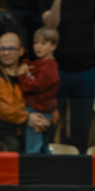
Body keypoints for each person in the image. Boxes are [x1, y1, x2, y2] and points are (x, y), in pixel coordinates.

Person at [40, 0, 95, 151]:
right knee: (51, 120)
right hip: (56, 70)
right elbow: (50, 27)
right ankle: (47, 158)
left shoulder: (94, 0)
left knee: (82, 123)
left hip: (86, 70)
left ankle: (79, 160)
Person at [18, 27, 60, 155]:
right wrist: (25, 63)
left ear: (53, 46)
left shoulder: (49, 67)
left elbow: (33, 86)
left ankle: (35, 166)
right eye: (35, 43)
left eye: (43, 43)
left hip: (39, 112)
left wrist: (21, 75)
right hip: (36, 108)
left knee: (33, 149)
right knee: (41, 147)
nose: (38, 46)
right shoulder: (40, 62)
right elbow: (31, 66)